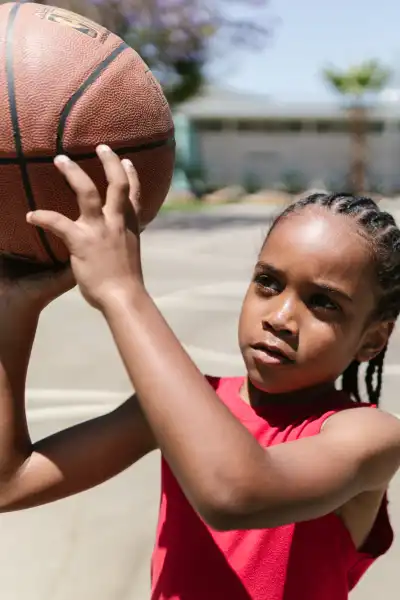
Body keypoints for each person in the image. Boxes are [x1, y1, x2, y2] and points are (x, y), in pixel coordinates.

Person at [0, 145, 399, 600]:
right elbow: (9, 483)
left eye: (323, 302)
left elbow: (234, 494)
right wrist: (16, 305)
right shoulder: (180, 408)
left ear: (372, 339)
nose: (281, 316)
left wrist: (122, 291)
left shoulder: (371, 437)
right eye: (268, 282)